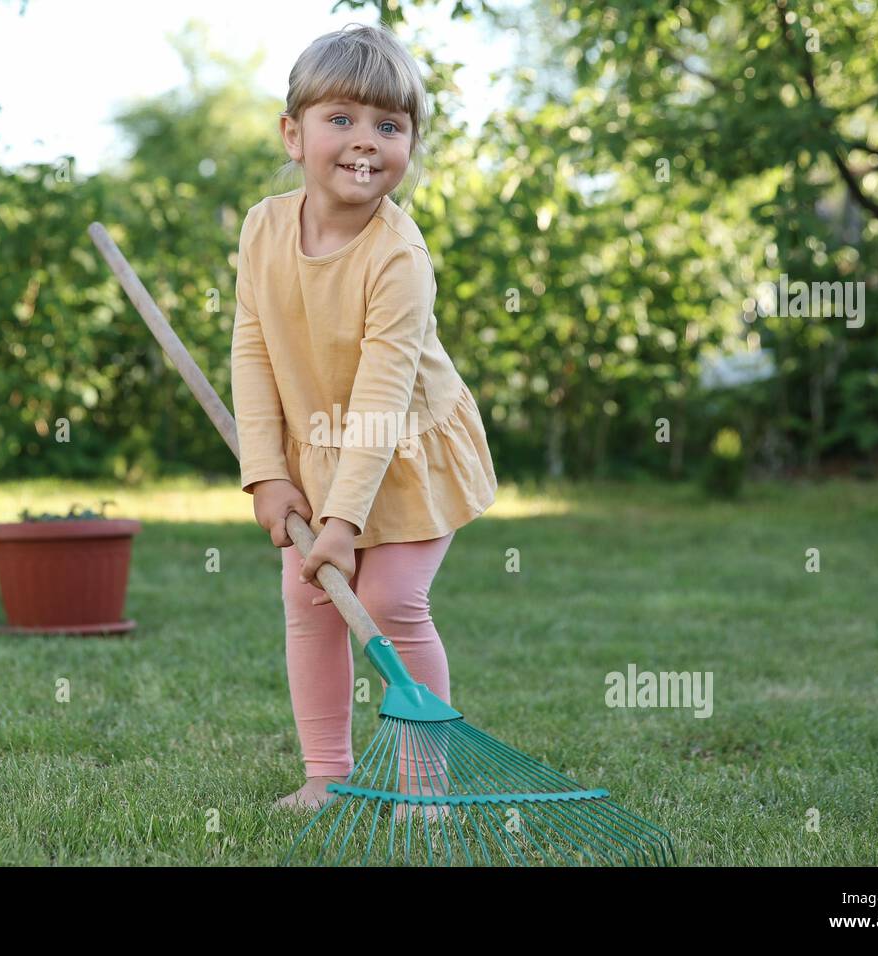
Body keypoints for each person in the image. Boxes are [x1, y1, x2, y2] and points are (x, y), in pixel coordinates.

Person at [230, 22, 497, 811]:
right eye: (339, 118)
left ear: (411, 142)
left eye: (389, 125)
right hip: (317, 452)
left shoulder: (398, 257)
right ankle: (327, 776)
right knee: (309, 602)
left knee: (387, 604)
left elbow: (383, 399)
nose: (364, 142)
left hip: (409, 455)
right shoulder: (263, 229)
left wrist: (344, 523)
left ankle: (423, 787)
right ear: (293, 133)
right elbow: (253, 352)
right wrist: (267, 475)